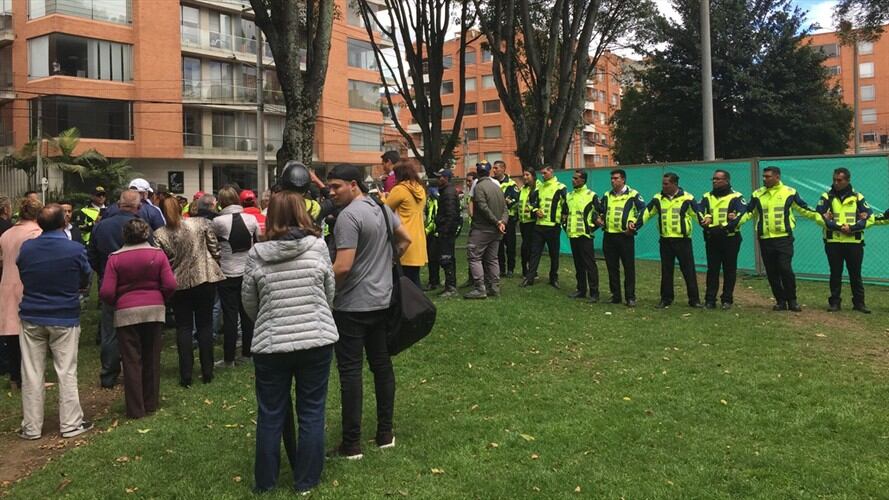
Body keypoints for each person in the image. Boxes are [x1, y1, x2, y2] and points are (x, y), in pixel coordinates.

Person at [241, 191, 338, 494]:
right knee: (311, 409)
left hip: (272, 342)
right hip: (316, 338)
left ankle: (266, 482)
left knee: (270, 413)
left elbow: (249, 301)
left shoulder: (257, 254)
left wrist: (269, 318)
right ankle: (306, 481)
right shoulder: (319, 247)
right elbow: (328, 290)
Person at [326, 164, 411, 459]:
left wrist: (323, 288)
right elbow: (405, 240)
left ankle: (351, 444)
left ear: (353, 184)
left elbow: (343, 265)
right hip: (382, 301)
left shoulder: (348, 217)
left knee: (350, 373)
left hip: (351, 305)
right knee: (381, 366)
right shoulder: (381, 207)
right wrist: (385, 263)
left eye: (336, 186)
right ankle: (385, 433)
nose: (331, 192)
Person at [16, 204, 93, 439]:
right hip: (64, 315)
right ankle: (70, 424)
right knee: (66, 370)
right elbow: (86, 275)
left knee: (31, 372)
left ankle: (31, 427)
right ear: (63, 223)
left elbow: (21, 269)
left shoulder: (27, 248)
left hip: (32, 314)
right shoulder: (74, 249)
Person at [98, 218, 176, 419]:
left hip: (126, 312)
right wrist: (160, 298)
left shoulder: (114, 258)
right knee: (151, 357)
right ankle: (151, 402)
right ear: (146, 234)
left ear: (124, 235)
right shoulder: (158, 255)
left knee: (131, 360)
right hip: (154, 310)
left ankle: (135, 408)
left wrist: (118, 301)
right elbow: (170, 284)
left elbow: (106, 291)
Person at [154, 197, 225, 386]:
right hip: (205, 278)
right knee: (205, 325)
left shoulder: (159, 234)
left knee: (183, 327)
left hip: (178, 283)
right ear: (180, 207)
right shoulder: (200, 223)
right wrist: (215, 262)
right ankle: (207, 371)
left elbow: (161, 261)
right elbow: (214, 248)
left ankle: (186, 375)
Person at [729, 166, 817, 312]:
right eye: (763, 176)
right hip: (765, 239)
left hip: (783, 238)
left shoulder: (789, 192)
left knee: (785, 268)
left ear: (777, 177)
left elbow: (804, 209)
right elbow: (749, 213)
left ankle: (792, 300)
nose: (764, 179)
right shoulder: (757, 194)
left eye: (768, 176)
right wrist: (734, 222)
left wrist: (822, 217)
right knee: (772, 271)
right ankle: (780, 301)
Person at [89, 190, 143, 388]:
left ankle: (109, 374)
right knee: (136, 331)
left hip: (109, 283)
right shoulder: (141, 225)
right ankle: (135, 371)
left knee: (110, 331)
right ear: (138, 206)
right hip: (137, 285)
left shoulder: (102, 227)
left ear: (119, 204)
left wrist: (103, 272)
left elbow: (92, 254)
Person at [212, 186, 260, 367]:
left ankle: (229, 358)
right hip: (247, 270)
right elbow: (258, 240)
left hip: (227, 272)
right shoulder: (251, 218)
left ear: (221, 202)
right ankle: (248, 353)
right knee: (247, 313)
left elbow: (213, 243)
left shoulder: (218, 221)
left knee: (230, 316)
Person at [814, 167, 872, 313]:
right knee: (835, 273)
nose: (835, 182)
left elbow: (870, 218)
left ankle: (859, 303)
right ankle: (835, 303)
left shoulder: (858, 197)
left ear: (847, 180)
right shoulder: (826, 196)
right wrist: (837, 227)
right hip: (833, 241)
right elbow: (818, 217)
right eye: (834, 179)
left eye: (839, 180)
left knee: (855, 274)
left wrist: (852, 228)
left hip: (854, 242)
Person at [641, 173, 704, 308]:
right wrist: (635, 225)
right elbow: (647, 213)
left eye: (666, 184)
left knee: (689, 271)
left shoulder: (687, 198)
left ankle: (694, 300)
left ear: (674, 184)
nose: (663, 186)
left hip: (683, 241)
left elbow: (697, 214)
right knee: (666, 270)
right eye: (663, 183)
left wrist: (707, 225)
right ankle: (666, 299)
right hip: (665, 241)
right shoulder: (658, 198)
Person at [0, 197, 43, 390]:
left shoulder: (7, 234)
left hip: (7, 283)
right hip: (27, 284)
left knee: (11, 331)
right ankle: (30, 377)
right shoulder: (36, 233)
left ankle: (15, 376)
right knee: (31, 333)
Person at [597, 169, 646, 307]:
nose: (613, 181)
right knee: (612, 267)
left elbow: (644, 211)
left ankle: (630, 297)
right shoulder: (607, 195)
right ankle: (616, 295)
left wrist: (634, 225)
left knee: (628, 267)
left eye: (616, 178)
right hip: (609, 236)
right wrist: (599, 219)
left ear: (623, 179)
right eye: (611, 178)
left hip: (625, 237)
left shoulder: (633, 194)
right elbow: (600, 210)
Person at [699, 170, 746, 309]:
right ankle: (710, 300)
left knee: (729, 270)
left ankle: (727, 300)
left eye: (718, 179)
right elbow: (699, 210)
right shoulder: (707, 196)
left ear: (726, 181)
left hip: (730, 238)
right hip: (712, 238)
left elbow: (741, 214)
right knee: (712, 270)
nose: (714, 181)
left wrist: (725, 226)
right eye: (713, 179)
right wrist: (705, 218)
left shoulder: (737, 197)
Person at [464, 162, 508, 299]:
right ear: (489, 172)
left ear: (477, 172)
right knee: (492, 259)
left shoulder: (478, 186)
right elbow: (505, 208)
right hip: (496, 230)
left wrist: (496, 221)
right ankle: (494, 287)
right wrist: (502, 222)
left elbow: (483, 207)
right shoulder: (497, 186)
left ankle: (480, 288)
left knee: (475, 257)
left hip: (482, 228)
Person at [521, 164, 567, 288]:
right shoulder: (539, 188)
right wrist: (535, 210)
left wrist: (563, 218)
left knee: (554, 254)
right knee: (535, 252)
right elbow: (531, 202)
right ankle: (529, 278)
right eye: (541, 173)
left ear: (551, 172)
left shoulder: (560, 187)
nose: (542, 175)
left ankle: (553, 278)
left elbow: (566, 205)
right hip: (539, 226)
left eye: (545, 173)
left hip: (553, 226)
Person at [384, 160, 428, 287]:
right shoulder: (420, 189)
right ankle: (418, 305)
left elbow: (386, 208)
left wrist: (383, 197)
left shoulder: (400, 189)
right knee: (414, 280)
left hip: (403, 238)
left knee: (399, 282)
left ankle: (405, 306)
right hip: (418, 240)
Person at [565, 170, 600, 302]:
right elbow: (564, 213)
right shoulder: (569, 196)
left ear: (583, 180)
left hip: (585, 235)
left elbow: (601, 213)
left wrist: (592, 227)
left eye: (576, 178)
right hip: (573, 234)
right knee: (578, 264)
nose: (573, 180)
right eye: (573, 178)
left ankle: (594, 293)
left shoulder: (591, 195)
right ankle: (581, 289)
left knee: (589, 264)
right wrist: (566, 226)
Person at [434, 169, 460, 297]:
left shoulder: (448, 193)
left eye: (440, 177)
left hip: (446, 231)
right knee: (447, 257)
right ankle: (450, 284)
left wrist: (445, 230)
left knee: (447, 258)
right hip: (446, 229)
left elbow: (451, 214)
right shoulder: (446, 191)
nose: (438, 180)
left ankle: (451, 287)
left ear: (446, 178)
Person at [493, 160, 519, 277]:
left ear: (503, 169)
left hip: (509, 220)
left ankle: (510, 269)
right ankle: (501, 268)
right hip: (496, 220)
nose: (494, 170)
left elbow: (514, 200)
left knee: (510, 245)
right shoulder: (492, 183)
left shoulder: (511, 184)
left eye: (496, 168)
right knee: (498, 246)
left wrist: (504, 203)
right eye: (493, 168)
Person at [518, 167, 538, 279]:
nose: (525, 177)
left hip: (533, 223)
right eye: (524, 175)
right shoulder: (523, 189)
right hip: (523, 222)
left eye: (527, 175)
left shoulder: (537, 188)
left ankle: (532, 271)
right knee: (525, 247)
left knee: (530, 247)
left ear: (533, 176)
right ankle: (525, 270)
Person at [423, 185, 441, 291]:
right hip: (435, 232)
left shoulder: (433, 202)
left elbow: (432, 219)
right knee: (434, 259)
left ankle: (433, 281)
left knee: (432, 259)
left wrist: (426, 231)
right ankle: (435, 280)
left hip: (433, 233)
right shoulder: (434, 201)